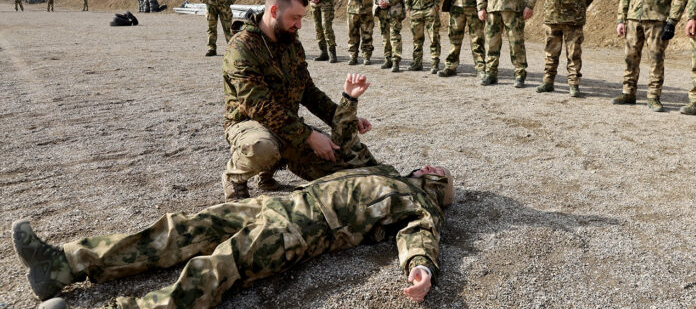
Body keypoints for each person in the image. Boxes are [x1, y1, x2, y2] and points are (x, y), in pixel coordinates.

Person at [12, 74, 453, 308]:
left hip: (301, 230)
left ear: (435, 186)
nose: (432, 167)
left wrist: (421, 269)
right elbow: (346, 142)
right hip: (278, 204)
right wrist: (348, 99)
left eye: (439, 173)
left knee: (215, 269)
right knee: (179, 228)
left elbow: (420, 238)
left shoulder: (420, 205)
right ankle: (62, 263)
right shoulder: (384, 169)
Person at [222, 0, 372, 201]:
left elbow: (309, 92)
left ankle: (268, 169)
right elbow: (258, 106)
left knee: (338, 165)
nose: (299, 25)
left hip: (288, 125)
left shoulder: (292, 44)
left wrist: (344, 117)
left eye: (302, 18)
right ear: (274, 11)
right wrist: (309, 136)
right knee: (262, 147)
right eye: (295, 18)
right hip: (248, 124)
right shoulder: (241, 47)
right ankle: (235, 176)